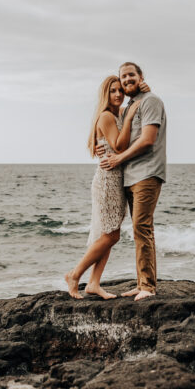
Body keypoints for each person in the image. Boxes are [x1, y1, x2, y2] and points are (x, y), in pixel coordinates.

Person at [64, 76, 144, 299]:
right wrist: (129, 119)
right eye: (113, 91)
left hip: (115, 179)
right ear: (105, 95)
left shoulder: (116, 114)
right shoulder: (108, 116)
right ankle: (75, 274)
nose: (118, 94)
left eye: (120, 90)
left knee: (108, 233)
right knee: (110, 235)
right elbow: (120, 145)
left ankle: (94, 283)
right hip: (108, 180)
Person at [98, 62, 166, 301]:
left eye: (130, 75)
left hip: (147, 173)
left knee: (142, 227)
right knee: (139, 230)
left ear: (140, 77)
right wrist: (104, 148)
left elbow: (148, 140)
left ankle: (148, 286)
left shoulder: (150, 101)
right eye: (123, 76)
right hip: (130, 175)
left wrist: (117, 159)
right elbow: (120, 141)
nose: (126, 80)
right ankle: (142, 283)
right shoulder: (128, 107)